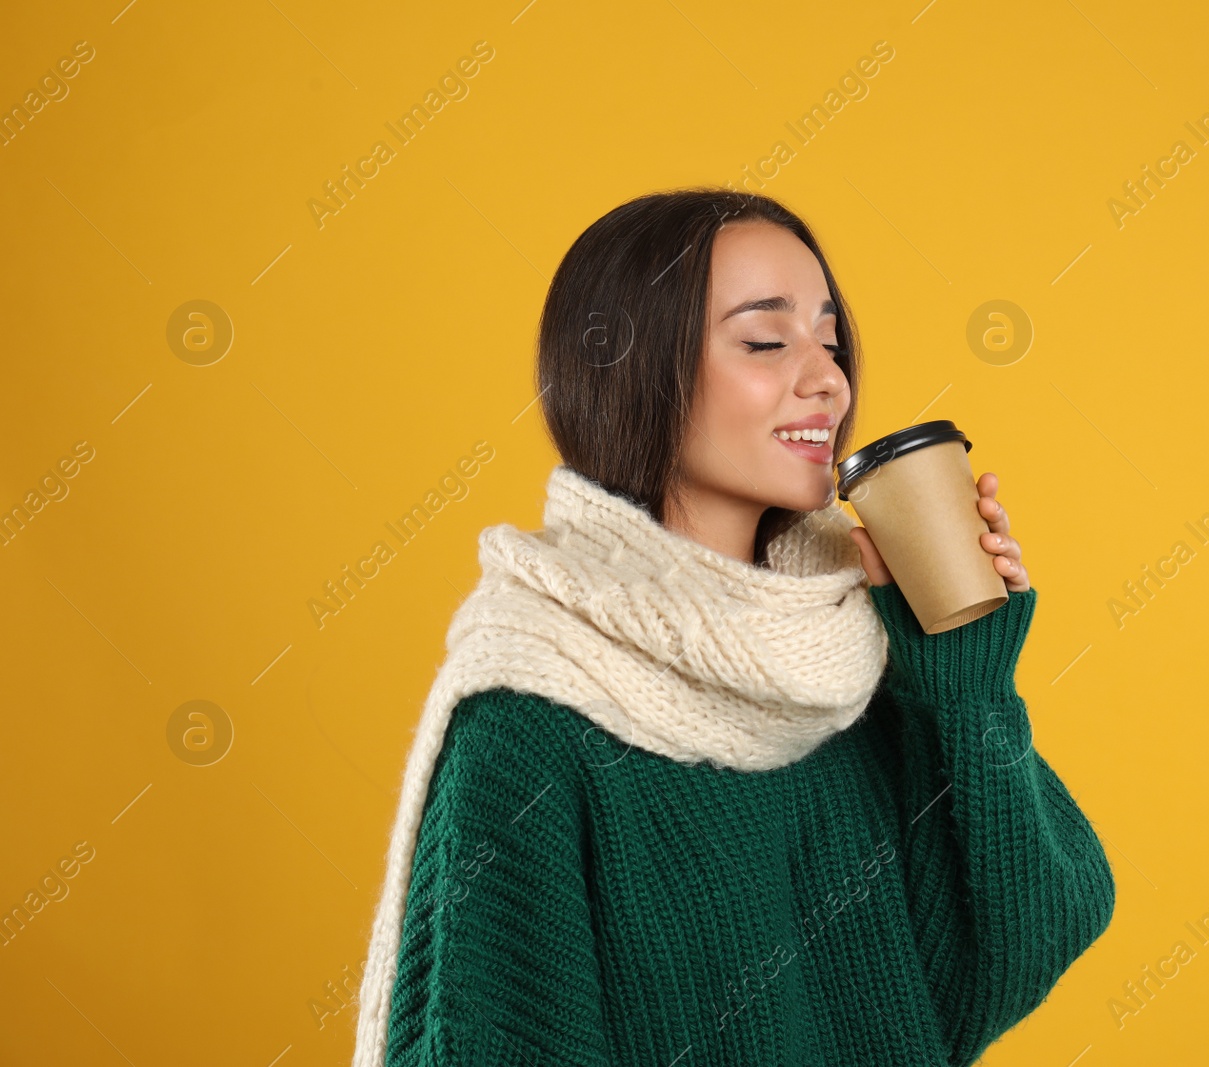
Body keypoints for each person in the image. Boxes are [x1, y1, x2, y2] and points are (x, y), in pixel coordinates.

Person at [350, 188, 1115, 1066]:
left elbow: (1010, 955)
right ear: (631, 370)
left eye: (831, 341)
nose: (828, 377)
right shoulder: (533, 719)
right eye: (765, 340)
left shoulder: (846, 665)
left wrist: (964, 674)